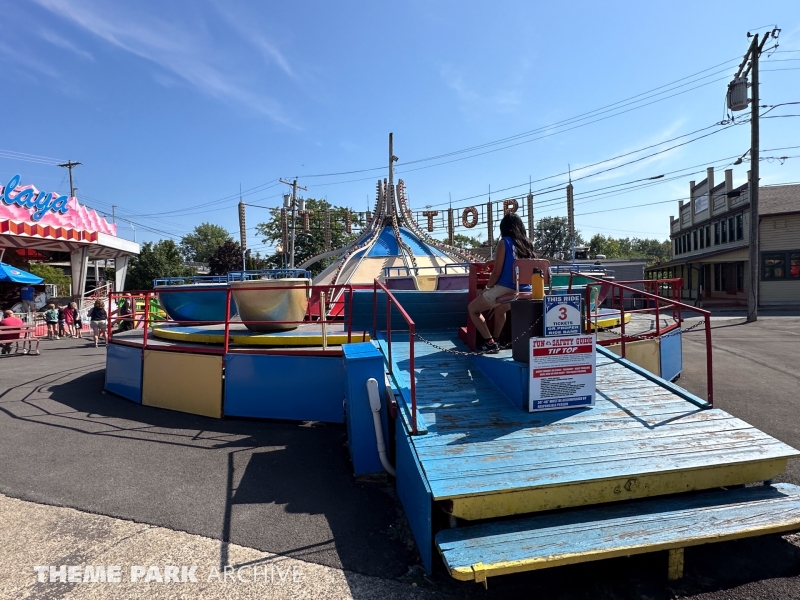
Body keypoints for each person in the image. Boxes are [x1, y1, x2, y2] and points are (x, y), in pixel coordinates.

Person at [468, 213, 537, 353]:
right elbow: (517, 262)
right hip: (526, 290)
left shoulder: (504, 242)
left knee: (473, 309)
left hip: (506, 288)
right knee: (500, 309)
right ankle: (496, 339)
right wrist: (492, 261)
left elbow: (496, 273)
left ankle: (489, 342)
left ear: (504, 227)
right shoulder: (527, 244)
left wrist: (487, 288)